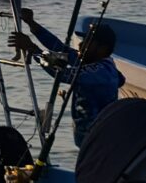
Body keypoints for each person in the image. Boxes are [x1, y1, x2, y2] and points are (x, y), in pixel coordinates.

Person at [11, 9, 124, 146]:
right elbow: (60, 48)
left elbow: (63, 73)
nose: (81, 44)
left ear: (103, 49)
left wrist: (33, 49)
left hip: (100, 141)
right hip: (89, 140)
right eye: (84, 40)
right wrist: (32, 24)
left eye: (88, 42)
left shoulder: (100, 71)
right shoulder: (93, 61)